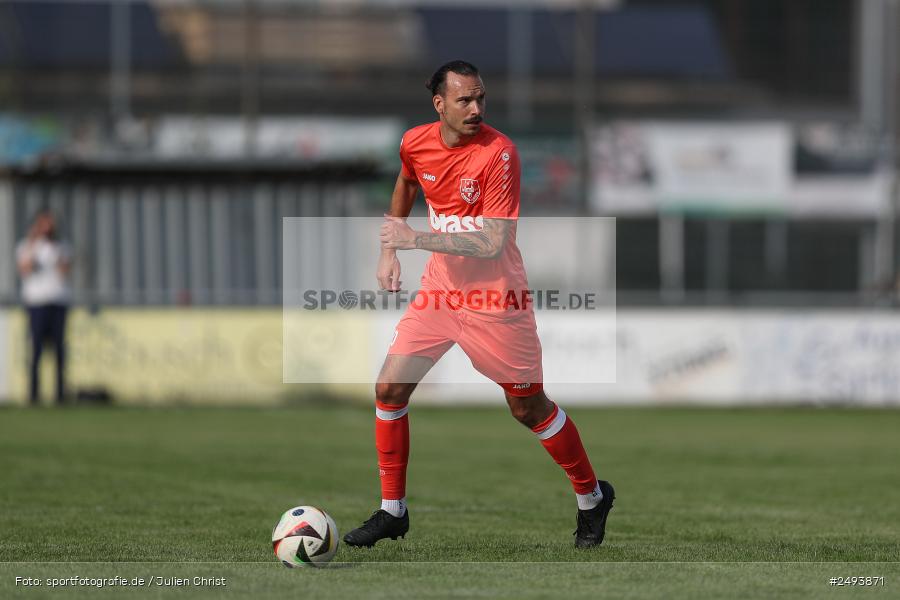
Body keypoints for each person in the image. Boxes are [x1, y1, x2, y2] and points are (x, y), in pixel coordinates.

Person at [343, 61, 615, 549]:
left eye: (481, 98)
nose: (475, 108)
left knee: (528, 408)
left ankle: (593, 498)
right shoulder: (414, 142)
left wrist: (413, 238)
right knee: (389, 389)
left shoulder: (500, 153)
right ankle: (392, 511)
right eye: (465, 99)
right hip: (441, 293)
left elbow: (491, 243)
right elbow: (408, 182)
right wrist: (389, 250)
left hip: (496, 298)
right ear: (439, 104)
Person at [16, 210, 72, 405]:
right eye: (44, 224)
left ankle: (60, 395)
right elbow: (25, 268)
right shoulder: (26, 245)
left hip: (58, 301)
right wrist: (33, 244)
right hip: (37, 302)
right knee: (36, 349)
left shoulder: (61, 246)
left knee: (59, 350)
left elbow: (65, 270)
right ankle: (33, 395)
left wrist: (55, 253)